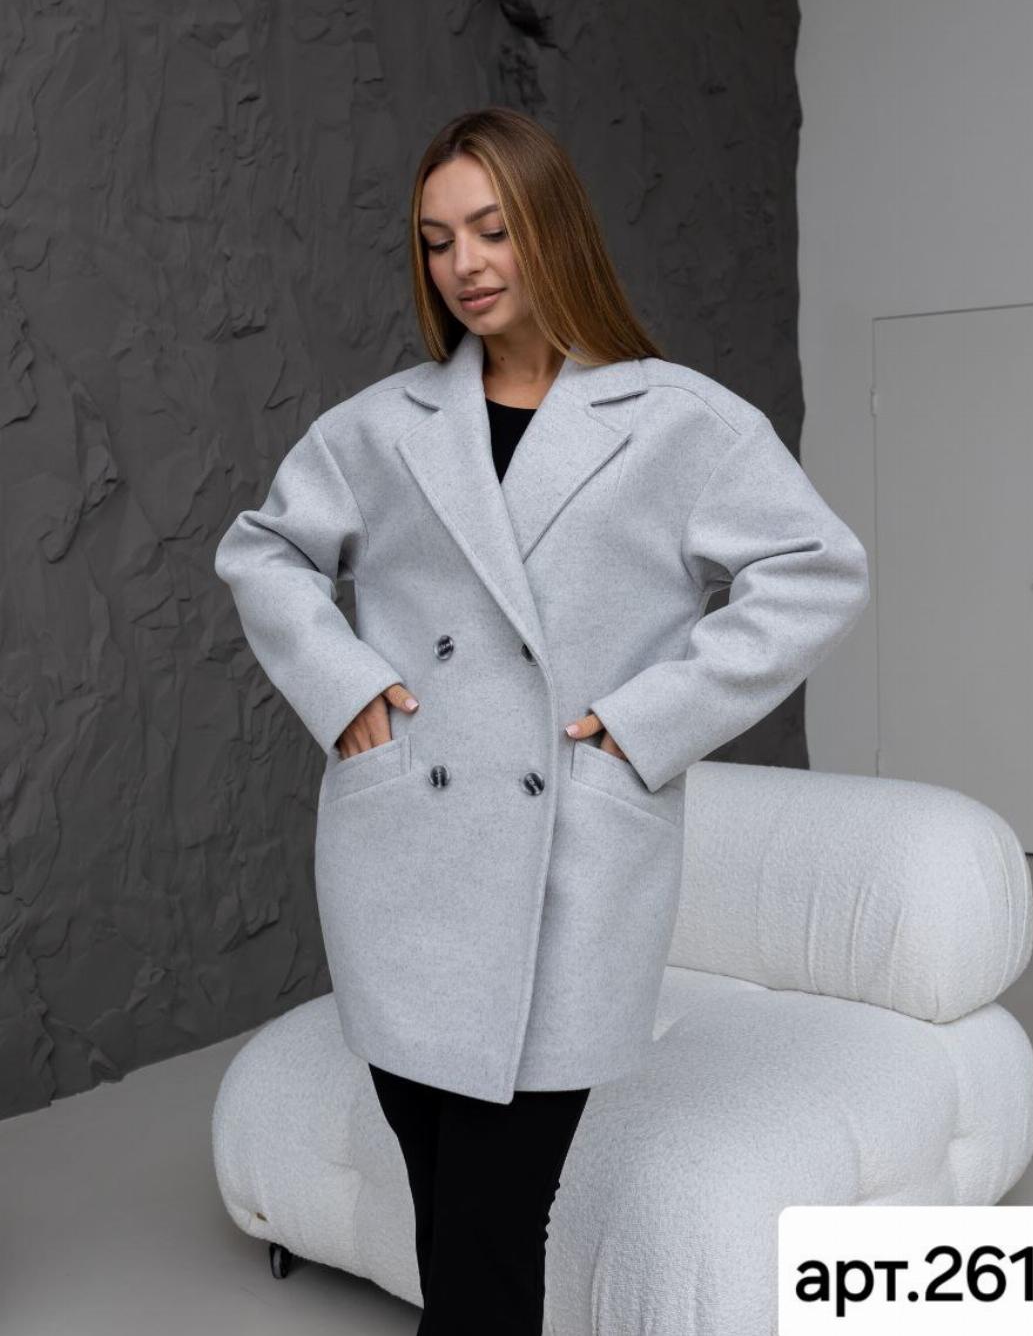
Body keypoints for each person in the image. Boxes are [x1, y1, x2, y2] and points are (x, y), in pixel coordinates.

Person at [214, 106, 870, 1332]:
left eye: (491, 229)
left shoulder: (679, 422)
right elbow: (264, 551)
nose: (463, 264)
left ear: (551, 228)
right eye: (436, 241)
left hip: (571, 858)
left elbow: (817, 571)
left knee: (496, 1220)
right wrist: (344, 687)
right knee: (445, 1205)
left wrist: (647, 720)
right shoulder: (382, 426)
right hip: (402, 859)